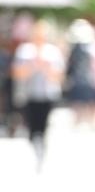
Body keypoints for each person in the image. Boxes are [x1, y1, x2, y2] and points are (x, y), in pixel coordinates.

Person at [11, 20, 64, 163]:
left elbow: (59, 75)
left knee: (43, 125)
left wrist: (45, 67)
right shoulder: (24, 51)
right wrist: (33, 66)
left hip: (48, 94)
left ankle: (41, 148)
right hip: (29, 94)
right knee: (31, 125)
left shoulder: (52, 51)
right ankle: (34, 146)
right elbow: (17, 73)